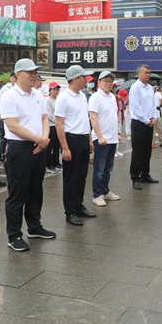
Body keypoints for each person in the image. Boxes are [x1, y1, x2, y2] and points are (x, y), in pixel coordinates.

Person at [0, 59, 55, 251]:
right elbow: (13, 126)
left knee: (35, 190)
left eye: (35, 72)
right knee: (18, 193)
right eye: (29, 72)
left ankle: (34, 226)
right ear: (17, 74)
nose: (34, 75)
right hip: (19, 149)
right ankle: (14, 235)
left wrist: (44, 139)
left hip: (39, 146)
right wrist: (38, 139)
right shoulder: (9, 96)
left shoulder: (37, 94)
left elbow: (44, 118)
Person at [54, 65, 96, 225]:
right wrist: (65, 148)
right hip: (71, 140)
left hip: (84, 138)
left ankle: (79, 206)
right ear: (75, 79)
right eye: (84, 77)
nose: (87, 80)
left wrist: (89, 139)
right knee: (71, 178)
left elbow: (85, 119)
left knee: (81, 176)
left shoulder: (82, 96)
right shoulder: (64, 98)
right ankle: (70, 212)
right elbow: (59, 124)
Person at [88, 71, 122, 207]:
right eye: (105, 81)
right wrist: (100, 136)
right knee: (99, 169)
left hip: (112, 138)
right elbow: (93, 118)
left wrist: (117, 133)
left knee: (108, 168)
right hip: (101, 139)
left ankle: (105, 190)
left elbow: (114, 116)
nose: (108, 83)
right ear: (99, 83)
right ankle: (97, 194)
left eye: (110, 81)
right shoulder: (95, 97)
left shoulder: (112, 97)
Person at [128, 64, 159, 190]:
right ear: (139, 74)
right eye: (146, 72)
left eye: (149, 72)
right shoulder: (135, 87)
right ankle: (135, 177)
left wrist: (154, 117)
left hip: (149, 122)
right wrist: (146, 120)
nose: (148, 75)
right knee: (138, 151)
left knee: (147, 150)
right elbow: (136, 107)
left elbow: (153, 104)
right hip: (139, 123)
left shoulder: (150, 88)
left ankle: (145, 174)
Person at [45, 82, 61, 173]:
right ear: (50, 91)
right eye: (54, 89)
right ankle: (49, 164)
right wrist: (59, 122)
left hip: (59, 126)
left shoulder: (59, 100)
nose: (56, 91)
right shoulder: (48, 101)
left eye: (57, 89)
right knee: (50, 146)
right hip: (51, 126)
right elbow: (49, 115)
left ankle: (56, 162)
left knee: (57, 146)